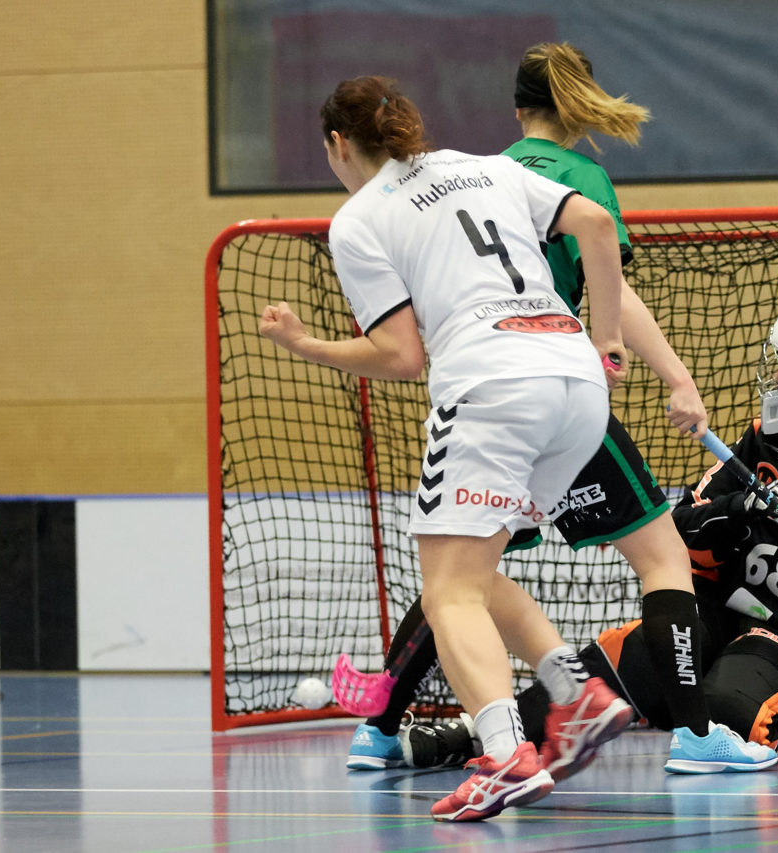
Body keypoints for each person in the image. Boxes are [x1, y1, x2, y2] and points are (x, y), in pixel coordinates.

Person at [346, 41, 778, 778]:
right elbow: (609, 277)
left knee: (459, 573)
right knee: (660, 556)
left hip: (479, 396)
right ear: (579, 108)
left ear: (517, 110)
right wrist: (670, 373)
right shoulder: (579, 176)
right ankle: (694, 731)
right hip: (558, 384)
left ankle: (380, 727)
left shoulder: (482, 168)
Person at [399, 295, 778, 769]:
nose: (775, 374)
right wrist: (740, 511)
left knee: (726, 710)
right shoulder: (765, 439)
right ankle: (474, 736)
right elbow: (680, 528)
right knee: (605, 676)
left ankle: (772, 738)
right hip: (718, 609)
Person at [261, 75, 638, 823]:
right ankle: (577, 697)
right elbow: (596, 225)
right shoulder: (492, 167)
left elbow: (402, 356)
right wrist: (608, 338)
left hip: (493, 386)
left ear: (339, 144)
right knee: (473, 571)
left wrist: (306, 344)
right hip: (575, 385)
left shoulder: (360, 217)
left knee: (447, 593)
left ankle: (504, 756)